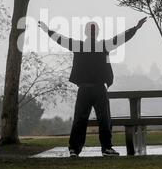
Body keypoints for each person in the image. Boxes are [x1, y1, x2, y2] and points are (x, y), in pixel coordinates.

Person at [38, 17, 147, 157]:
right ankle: (106, 148)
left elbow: (60, 39)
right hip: (99, 88)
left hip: (84, 89)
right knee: (104, 119)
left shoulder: (79, 46)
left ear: (86, 32)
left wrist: (48, 30)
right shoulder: (103, 46)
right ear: (97, 33)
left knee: (80, 119)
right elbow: (121, 38)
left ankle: (74, 149)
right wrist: (135, 28)